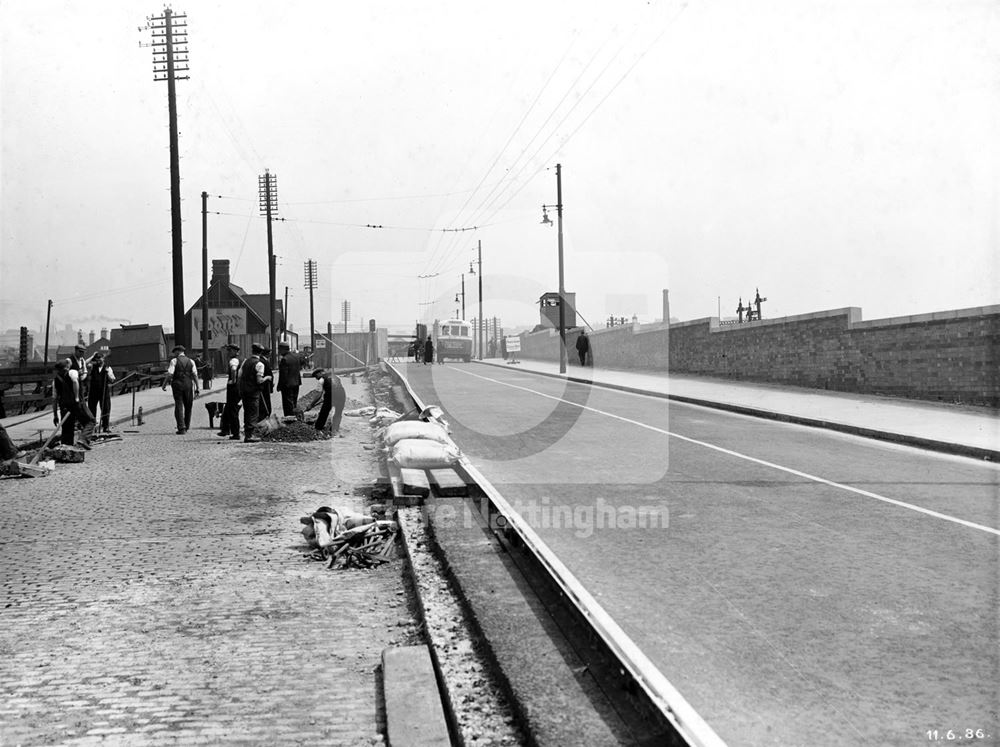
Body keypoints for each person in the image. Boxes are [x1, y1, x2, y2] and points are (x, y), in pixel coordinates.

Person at [52, 359, 95, 449]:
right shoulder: (72, 372)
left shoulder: (55, 380)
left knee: (67, 428)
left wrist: (55, 415)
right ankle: (83, 440)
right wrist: (76, 397)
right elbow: (75, 381)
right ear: (67, 367)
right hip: (77, 404)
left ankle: (66, 447)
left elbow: (54, 399)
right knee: (90, 421)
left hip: (64, 406)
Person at [237, 343, 271, 443]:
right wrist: (267, 378)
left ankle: (247, 433)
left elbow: (240, 377)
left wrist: (240, 390)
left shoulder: (245, 362)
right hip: (254, 392)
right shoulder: (259, 364)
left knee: (247, 412)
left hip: (244, 391)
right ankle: (249, 435)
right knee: (253, 413)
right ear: (261, 353)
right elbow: (259, 380)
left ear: (252, 351)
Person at [162, 345, 199, 434]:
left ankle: (181, 427)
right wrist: (197, 387)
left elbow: (170, 374)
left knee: (179, 405)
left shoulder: (174, 361)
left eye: (175, 352)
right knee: (188, 405)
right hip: (188, 384)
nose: (174, 354)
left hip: (177, 384)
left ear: (178, 352)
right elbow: (194, 375)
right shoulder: (191, 361)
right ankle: (187, 425)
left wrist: (164, 384)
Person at [86, 352, 116, 432]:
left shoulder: (108, 368)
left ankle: (105, 426)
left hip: (104, 391)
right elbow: (85, 364)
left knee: (105, 409)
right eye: (97, 359)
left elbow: (112, 380)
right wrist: (92, 356)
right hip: (93, 391)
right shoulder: (92, 367)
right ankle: (92, 427)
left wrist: (108, 374)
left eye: (100, 358)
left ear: (103, 358)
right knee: (92, 409)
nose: (98, 361)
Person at [312, 368, 346, 435]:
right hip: (342, 395)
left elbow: (319, 394)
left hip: (331, 396)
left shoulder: (321, 380)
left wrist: (311, 404)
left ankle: (318, 429)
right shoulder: (336, 376)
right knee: (338, 413)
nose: (316, 379)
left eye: (316, 376)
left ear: (320, 373)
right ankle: (335, 429)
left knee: (324, 412)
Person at [218, 344, 242, 439]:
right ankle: (225, 430)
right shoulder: (241, 359)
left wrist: (233, 380)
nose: (228, 352)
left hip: (233, 387)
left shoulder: (234, 360)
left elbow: (233, 369)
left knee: (232, 410)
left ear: (235, 351)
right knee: (228, 409)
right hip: (237, 387)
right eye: (228, 350)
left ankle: (236, 433)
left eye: (230, 351)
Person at [277, 342, 303, 417]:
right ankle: (295, 418)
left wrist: (279, 386)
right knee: (294, 403)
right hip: (296, 383)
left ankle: (289, 420)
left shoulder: (284, 359)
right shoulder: (296, 356)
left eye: (279, 350)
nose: (279, 352)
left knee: (287, 404)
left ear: (283, 349)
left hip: (287, 385)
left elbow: (283, 375)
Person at [258, 348, 274, 418]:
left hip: (266, 384)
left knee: (266, 401)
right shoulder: (262, 361)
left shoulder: (265, 360)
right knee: (265, 402)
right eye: (269, 353)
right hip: (264, 385)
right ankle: (265, 415)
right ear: (267, 353)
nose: (270, 355)